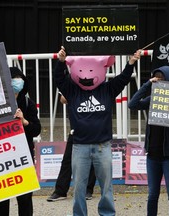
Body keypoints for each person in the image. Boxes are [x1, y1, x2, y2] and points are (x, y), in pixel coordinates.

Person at [54, 46, 142, 216]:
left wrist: (131, 62)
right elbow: (59, 79)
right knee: (79, 186)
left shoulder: (107, 89)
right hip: (80, 146)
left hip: (103, 145)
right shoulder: (72, 91)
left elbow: (123, 79)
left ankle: (107, 213)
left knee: (106, 185)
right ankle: (79, 214)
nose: (86, 75)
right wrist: (61, 62)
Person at [128, 66, 169, 216]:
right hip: (153, 156)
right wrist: (148, 84)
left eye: (162, 79)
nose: (159, 82)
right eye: (156, 79)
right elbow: (132, 104)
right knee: (152, 195)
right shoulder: (152, 100)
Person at [0, 67, 41, 216]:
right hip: (0, 157)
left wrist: (25, 122)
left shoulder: (28, 104)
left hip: (22, 157)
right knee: (1, 198)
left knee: (25, 197)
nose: (15, 90)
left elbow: (36, 129)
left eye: (18, 85)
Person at [47, 94, 96, 202]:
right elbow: (63, 99)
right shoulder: (71, 80)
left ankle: (88, 190)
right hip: (77, 127)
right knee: (67, 160)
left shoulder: (96, 80)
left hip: (94, 125)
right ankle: (60, 191)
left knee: (92, 158)